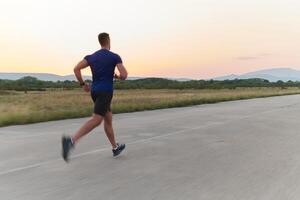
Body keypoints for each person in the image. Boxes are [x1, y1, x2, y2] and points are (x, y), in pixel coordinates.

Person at [62, 32, 128, 162]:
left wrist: (83, 85)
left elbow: (76, 69)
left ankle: (115, 147)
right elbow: (124, 75)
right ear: (108, 40)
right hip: (106, 92)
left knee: (108, 118)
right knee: (97, 120)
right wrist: (117, 77)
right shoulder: (114, 57)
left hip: (95, 91)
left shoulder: (91, 57)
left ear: (100, 41)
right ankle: (71, 141)